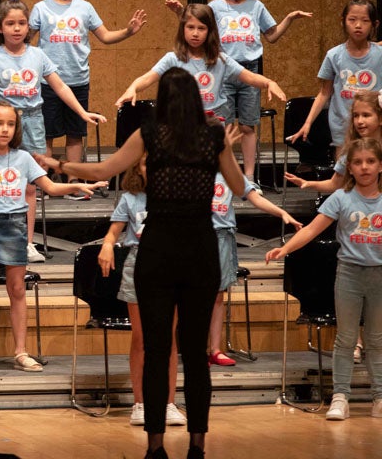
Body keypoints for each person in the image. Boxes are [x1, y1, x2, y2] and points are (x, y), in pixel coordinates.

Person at [38, 68, 247, 459]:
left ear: (164, 99)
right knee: (196, 355)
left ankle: (154, 448)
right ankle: (198, 446)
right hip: (200, 252)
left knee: (155, 350)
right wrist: (225, 150)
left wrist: (58, 165)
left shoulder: (150, 135)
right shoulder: (213, 138)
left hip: (158, 251)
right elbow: (237, 187)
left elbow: (103, 171)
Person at [0, 0, 106, 262]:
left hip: (32, 121)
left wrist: (82, 112)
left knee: (30, 187)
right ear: (0, 28)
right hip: (2, 122)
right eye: (10, 24)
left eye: (21, 23)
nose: (17, 28)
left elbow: (60, 86)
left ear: (28, 26)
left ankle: (27, 243)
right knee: (3, 181)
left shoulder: (38, 55)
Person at [0, 103, 105, 374]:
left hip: (15, 225)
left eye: (10, 124)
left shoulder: (23, 158)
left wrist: (77, 184)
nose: (4, 129)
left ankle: (21, 351)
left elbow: (49, 186)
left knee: (16, 290)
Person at [265, 137, 382, 422]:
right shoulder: (340, 198)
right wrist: (286, 248)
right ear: (349, 167)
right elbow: (311, 230)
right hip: (349, 275)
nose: (364, 167)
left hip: (379, 276)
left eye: (370, 161)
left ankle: (380, 397)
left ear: (380, 165)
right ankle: (340, 396)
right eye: (357, 162)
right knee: (344, 339)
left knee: (377, 339)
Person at [165, 0, 310, 179]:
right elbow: (197, 26)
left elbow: (271, 36)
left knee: (247, 126)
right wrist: (178, 13)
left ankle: (250, 177)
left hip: (249, 69)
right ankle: (225, 175)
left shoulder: (256, 6)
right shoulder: (215, 7)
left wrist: (289, 19)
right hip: (220, 68)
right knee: (224, 126)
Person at [29, 0, 146, 179]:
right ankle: (43, 178)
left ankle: (73, 177)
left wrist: (128, 31)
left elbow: (105, 36)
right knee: (47, 135)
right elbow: (24, 40)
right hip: (48, 83)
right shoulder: (40, 9)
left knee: (75, 133)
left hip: (78, 81)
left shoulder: (85, 7)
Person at [97, 153, 186, 428]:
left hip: (171, 266)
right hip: (138, 266)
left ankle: (168, 403)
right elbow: (114, 232)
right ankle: (140, 404)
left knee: (167, 338)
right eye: (149, 163)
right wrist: (108, 245)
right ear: (139, 168)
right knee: (142, 337)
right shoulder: (130, 199)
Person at [117, 3, 286, 120]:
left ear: (209, 31)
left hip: (214, 124)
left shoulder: (221, 59)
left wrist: (269, 83)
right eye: (190, 27)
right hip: (184, 122)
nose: (195, 33)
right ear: (183, 29)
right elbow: (147, 78)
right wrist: (132, 88)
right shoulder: (173, 58)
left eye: (201, 28)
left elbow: (248, 77)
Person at [205, 170, 301, 367]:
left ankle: (214, 349)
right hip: (197, 234)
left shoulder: (228, 171)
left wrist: (281, 212)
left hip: (222, 236)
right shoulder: (191, 170)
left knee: (217, 294)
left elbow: (254, 198)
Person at [288, 0, 382, 150]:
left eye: (365, 20)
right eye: (352, 20)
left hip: (375, 128)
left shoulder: (379, 55)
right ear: (343, 21)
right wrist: (308, 123)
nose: (358, 25)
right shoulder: (334, 55)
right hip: (343, 127)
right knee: (344, 170)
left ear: (374, 24)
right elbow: (324, 93)